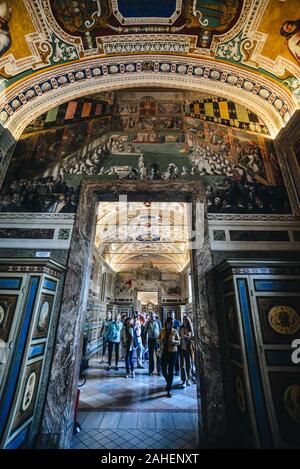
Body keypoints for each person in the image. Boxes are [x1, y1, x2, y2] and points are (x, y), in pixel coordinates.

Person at [159, 316, 180, 398]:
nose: (170, 324)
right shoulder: (162, 331)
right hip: (164, 352)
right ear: (166, 323)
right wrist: (161, 341)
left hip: (173, 352)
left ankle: (169, 389)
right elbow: (159, 339)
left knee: (171, 370)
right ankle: (169, 383)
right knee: (163, 370)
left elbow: (179, 342)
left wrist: (174, 341)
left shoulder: (175, 331)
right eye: (169, 323)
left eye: (172, 323)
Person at [179, 316, 194, 388]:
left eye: (186, 320)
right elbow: (178, 336)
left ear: (188, 321)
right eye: (184, 320)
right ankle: (184, 380)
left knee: (188, 365)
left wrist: (188, 337)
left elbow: (193, 338)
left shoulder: (190, 328)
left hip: (188, 348)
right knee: (182, 365)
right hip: (182, 348)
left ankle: (188, 379)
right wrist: (180, 338)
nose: (184, 321)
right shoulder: (180, 328)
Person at [144, 312, 162, 376]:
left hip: (157, 340)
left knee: (158, 356)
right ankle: (150, 371)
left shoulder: (158, 322)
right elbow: (145, 331)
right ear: (150, 316)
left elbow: (161, 331)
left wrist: (161, 341)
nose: (152, 317)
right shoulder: (147, 323)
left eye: (153, 316)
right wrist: (144, 341)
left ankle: (159, 371)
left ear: (155, 315)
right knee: (151, 356)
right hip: (150, 340)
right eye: (151, 316)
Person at [168, 311, 180, 376]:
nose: (171, 316)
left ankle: (177, 370)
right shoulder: (168, 322)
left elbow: (178, 330)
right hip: (169, 341)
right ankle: (170, 370)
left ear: (174, 315)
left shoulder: (177, 322)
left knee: (176, 357)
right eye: (170, 315)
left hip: (175, 340)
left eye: (172, 315)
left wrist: (176, 340)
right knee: (170, 357)